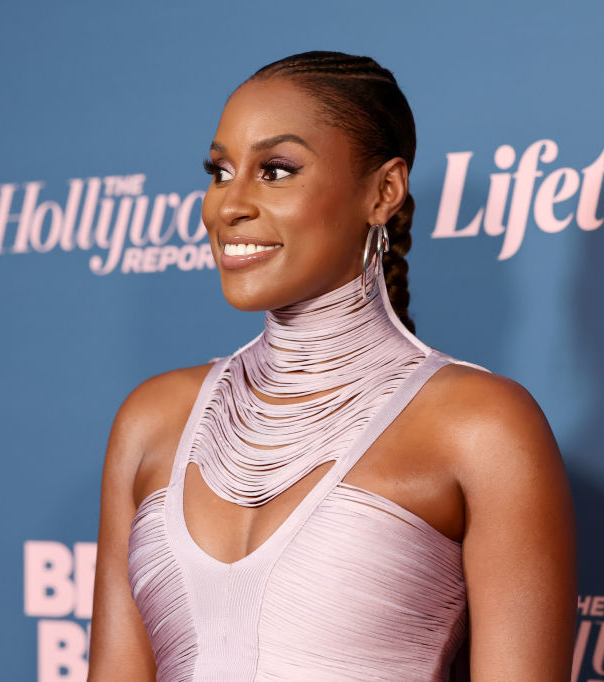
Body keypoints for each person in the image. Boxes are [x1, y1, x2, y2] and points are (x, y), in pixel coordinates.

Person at [87, 51, 576, 681]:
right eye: (220, 171)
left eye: (275, 171)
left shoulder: (482, 427)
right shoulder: (152, 420)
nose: (226, 206)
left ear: (384, 192)